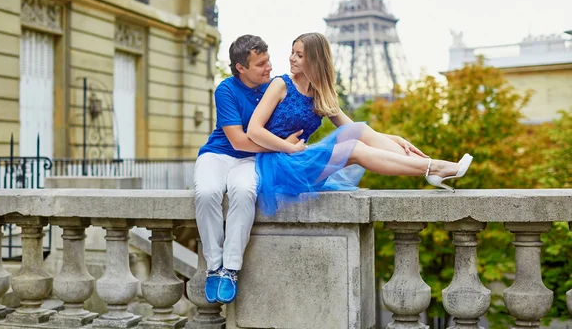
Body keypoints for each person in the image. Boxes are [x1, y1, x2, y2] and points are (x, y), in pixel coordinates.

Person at [247, 32, 473, 216]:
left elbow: (353, 128)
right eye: (292, 53)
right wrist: (288, 147)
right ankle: (434, 168)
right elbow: (254, 130)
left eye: (299, 55)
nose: (291, 59)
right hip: (278, 164)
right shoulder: (281, 84)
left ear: (315, 60)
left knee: (357, 134)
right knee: (354, 148)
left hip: (300, 159)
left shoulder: (320, 94)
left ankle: (432, 167)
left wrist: (393, 139)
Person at [194, 35, 303, 304]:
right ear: (241, 68)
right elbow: (238, 140)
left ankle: (230, 268)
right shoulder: (226, 90)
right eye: (260, 64)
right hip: (218, 154)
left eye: (268, 61)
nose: (269, 67)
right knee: (207, 193)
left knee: (244, 192)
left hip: (251, 160)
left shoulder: (274, 87)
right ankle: (213, 266)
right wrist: (283, 147)